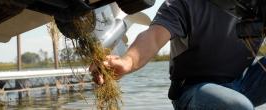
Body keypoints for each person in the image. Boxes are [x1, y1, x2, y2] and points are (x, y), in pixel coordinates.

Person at [90, 0, 266, 110]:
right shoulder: (183, 3)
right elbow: (154, 37)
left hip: (245, 83)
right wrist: (127, 62)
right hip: (193, 92)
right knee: (238, 107)